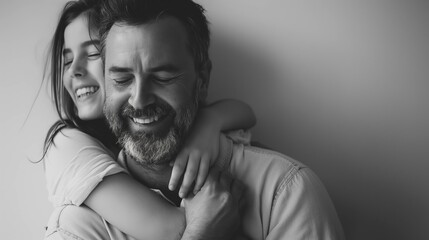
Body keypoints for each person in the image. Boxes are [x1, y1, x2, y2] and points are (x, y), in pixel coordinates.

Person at [97, 0, 346, 239]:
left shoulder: (285, 193)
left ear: (202, 79)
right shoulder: (80, 224)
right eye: (121, 80)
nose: (139, 100)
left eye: (163, 77)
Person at [42, 0, 256, 239]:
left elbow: (247, 114)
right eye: (67, 60)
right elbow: (176, 228)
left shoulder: (174, 125)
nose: (74, 71)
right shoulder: (67, 145)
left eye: (92, 53)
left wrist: (210, 121)